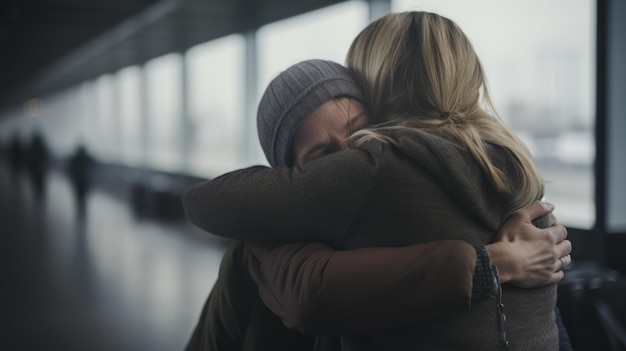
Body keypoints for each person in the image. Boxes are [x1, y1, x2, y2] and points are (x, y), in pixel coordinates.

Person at [183, 58, 572, 350]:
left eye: (358, 131)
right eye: (322, 154)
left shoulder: (401, 204)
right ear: (292, 180)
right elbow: (313, 295)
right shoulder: (267, 241)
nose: (350, 154)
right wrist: (498, 263)